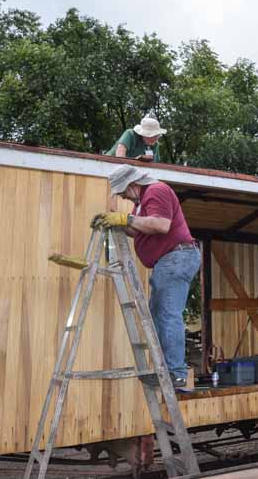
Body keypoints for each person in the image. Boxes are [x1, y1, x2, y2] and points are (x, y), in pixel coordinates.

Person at [92, 164, 200, 388]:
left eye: (122, 192)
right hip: (168, 262)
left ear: (132, 185)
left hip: (176, 258)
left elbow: (161, 225)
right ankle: (166, 371)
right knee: (159, 315)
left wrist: (125, 219)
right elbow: (136, 228)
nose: (123, 196)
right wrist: (113, 222)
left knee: (168, 314)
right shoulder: (141, 203)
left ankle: (176, 373)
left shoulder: (156, 190)